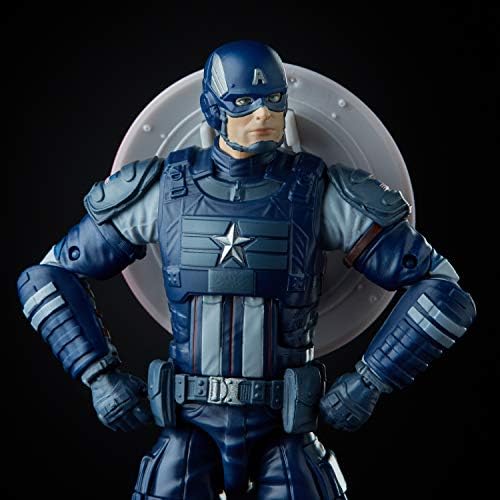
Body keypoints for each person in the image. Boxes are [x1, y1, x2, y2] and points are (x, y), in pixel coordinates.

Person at [17, 40, 476, 499]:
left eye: (274, 100)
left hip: (284, 428)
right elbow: (46, 277)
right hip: (189, 427)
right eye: (243, 102)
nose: (263, 114)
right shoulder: (163, 191)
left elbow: (443, 290)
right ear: (212, 109)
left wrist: (371, 380)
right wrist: (99, 376)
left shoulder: (318, 192)